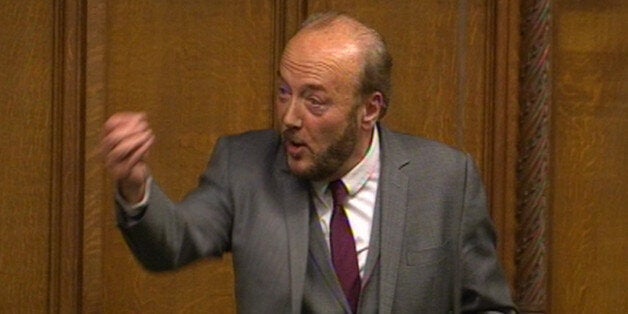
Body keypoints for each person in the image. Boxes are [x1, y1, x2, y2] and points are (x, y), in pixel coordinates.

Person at [101, 12, 517, 314]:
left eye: (314, 101)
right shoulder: (243, 167)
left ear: (370, 109)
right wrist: (135, 188)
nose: (290, 118)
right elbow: (172, 244)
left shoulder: (445, 179)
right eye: (285, 92)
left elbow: (487, 305)